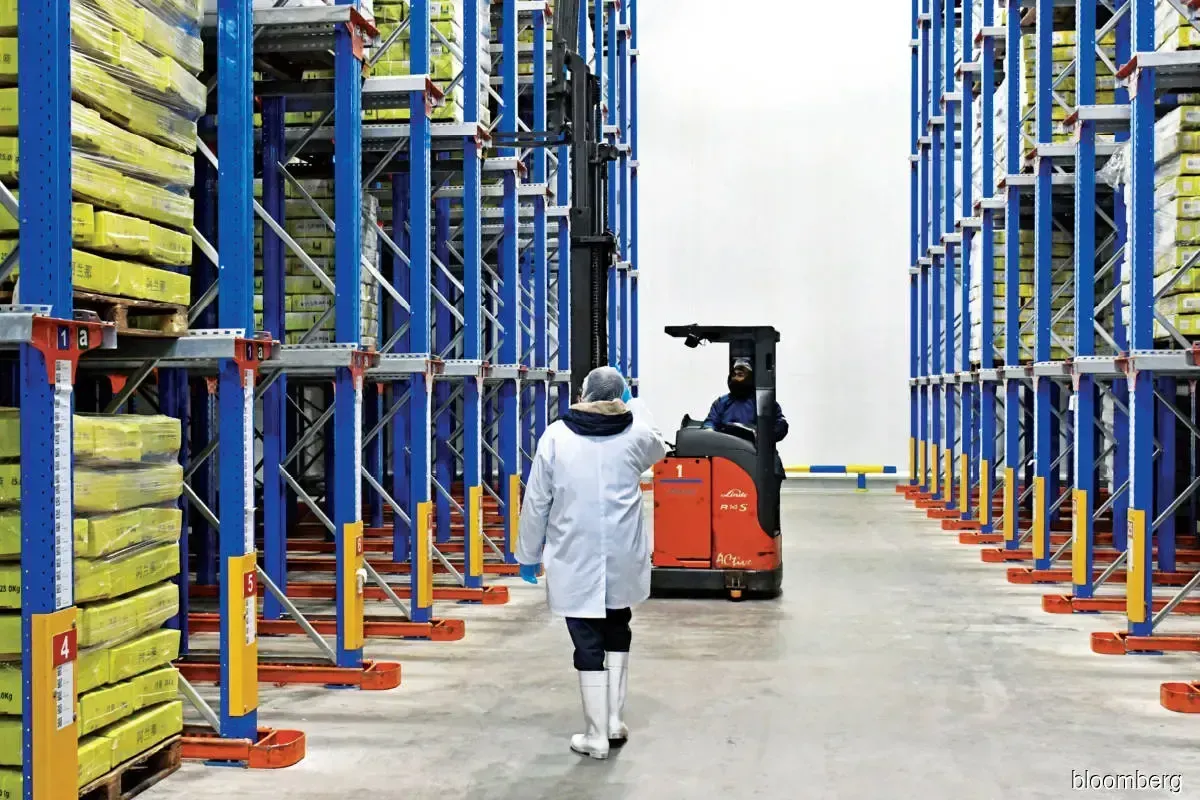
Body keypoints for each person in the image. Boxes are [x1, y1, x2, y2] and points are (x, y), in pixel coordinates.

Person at [515, 366, 667, 760]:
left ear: (582, 394)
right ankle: (614, 721)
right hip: (621, 553)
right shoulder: (635, 434)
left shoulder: (555, 436)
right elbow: (659, 444)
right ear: (621, 397)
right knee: (618, 626)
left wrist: (527, 555)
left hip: (574, 553)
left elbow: (537, 502)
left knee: (586, 639)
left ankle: (596, 735)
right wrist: (637, 404)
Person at [702, 357, 789, 442]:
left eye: (740, 375)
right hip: (726, 451)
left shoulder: (763, 402)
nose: (735, 378)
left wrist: (766, 436)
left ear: (749, 378)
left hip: (754, 452)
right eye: (734, 375)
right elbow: (710, 423)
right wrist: (709, 432)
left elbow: (781, 423)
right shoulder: (721, 403)